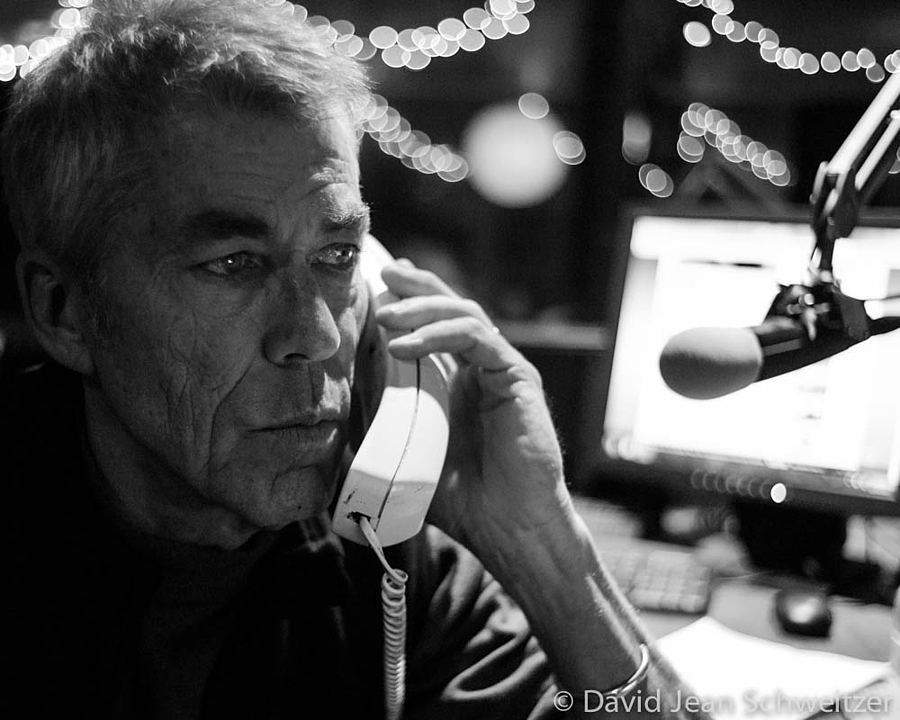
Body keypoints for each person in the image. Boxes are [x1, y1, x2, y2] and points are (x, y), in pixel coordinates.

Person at [0, 1, 707, 718]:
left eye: (337, 255)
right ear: (63, 312)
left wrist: (544, 547)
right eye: (234, 262)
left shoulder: (385, 547)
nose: (318, 336)